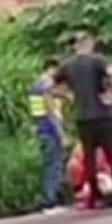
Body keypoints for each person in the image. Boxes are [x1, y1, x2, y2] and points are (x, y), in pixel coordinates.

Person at [55, 32, 112, 210]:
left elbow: (48, 84)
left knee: (89, 158)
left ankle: (94, 198)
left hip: (82, 117)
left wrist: (68, 96)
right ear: (89, 44)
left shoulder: (68, 66)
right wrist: (109, 92)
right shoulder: (98, 60)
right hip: (102, 114)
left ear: (75, 46)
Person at [30, 58, 67, 213]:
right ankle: (51, 200)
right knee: (54, 165)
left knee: (50, 163)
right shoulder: (46, 86)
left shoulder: (37, 85)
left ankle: (51, 198)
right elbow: (51, 113)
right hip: (50, 130)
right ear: (51, 69)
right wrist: (62, 133)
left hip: (41, 129)